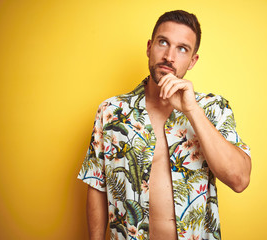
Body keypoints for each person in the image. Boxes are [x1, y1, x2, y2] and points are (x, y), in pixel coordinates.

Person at [78, 10, 251, 240]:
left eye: (182, 49)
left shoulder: (213, 109)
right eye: (163, 43)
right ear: (149, 47)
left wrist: (192, 111)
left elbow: (239, 179)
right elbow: (97, 185)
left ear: (193, 60)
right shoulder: (111, 111)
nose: (169, 56)